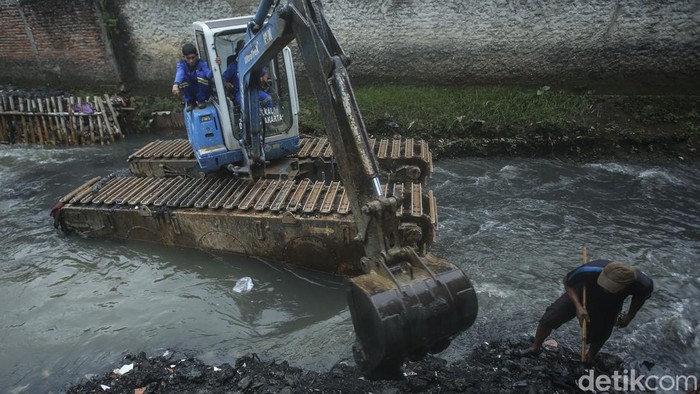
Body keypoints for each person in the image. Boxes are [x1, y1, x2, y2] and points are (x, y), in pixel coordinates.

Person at [521, 260, 653, 362]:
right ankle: (535, 347)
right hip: (580, 293)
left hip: (612, 302)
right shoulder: (590, 269)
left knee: (602, 331)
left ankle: (589, 357)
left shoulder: (643, 284)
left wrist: (630, 315)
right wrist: (578, 306)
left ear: (625, 285)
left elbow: (640, 297)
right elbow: (567, 281)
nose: (605, 287)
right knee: (552, 315)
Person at [220, 40, 273, 108]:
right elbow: (223, 79)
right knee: (247, 105)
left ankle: (267, 117)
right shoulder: (233, 67)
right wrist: (227, 84)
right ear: (239, 52)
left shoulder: (254, 64)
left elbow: (264, 73)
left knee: (268, 99)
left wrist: (264, 79)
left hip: (256, 91)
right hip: (241, 94)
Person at [172, 43, 213, 111]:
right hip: (190, 90)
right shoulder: (182, 64)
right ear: (184, 57)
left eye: (193, 57)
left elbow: (208, 75)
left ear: (197, 56)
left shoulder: (202, 63)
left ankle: (201, 100)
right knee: (182, 79)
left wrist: (216, 66)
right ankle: (190, 102)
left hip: (202, 91)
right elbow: (180, 73)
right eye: (188, 58)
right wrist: (175, 84)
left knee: (202, 75)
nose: (191, 61)